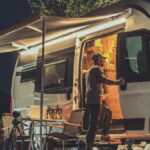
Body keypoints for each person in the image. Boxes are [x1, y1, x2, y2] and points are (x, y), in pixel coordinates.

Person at [85, 53, 124, 150]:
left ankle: (103, 135)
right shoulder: (97, 68)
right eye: (102, 59)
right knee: (94, 124)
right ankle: (89, 145)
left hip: (90, 99)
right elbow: (104, 79)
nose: (103, 61)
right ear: (98, 59)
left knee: (107, 112)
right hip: (95, 100)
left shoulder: (89, 71)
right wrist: (117, 82)